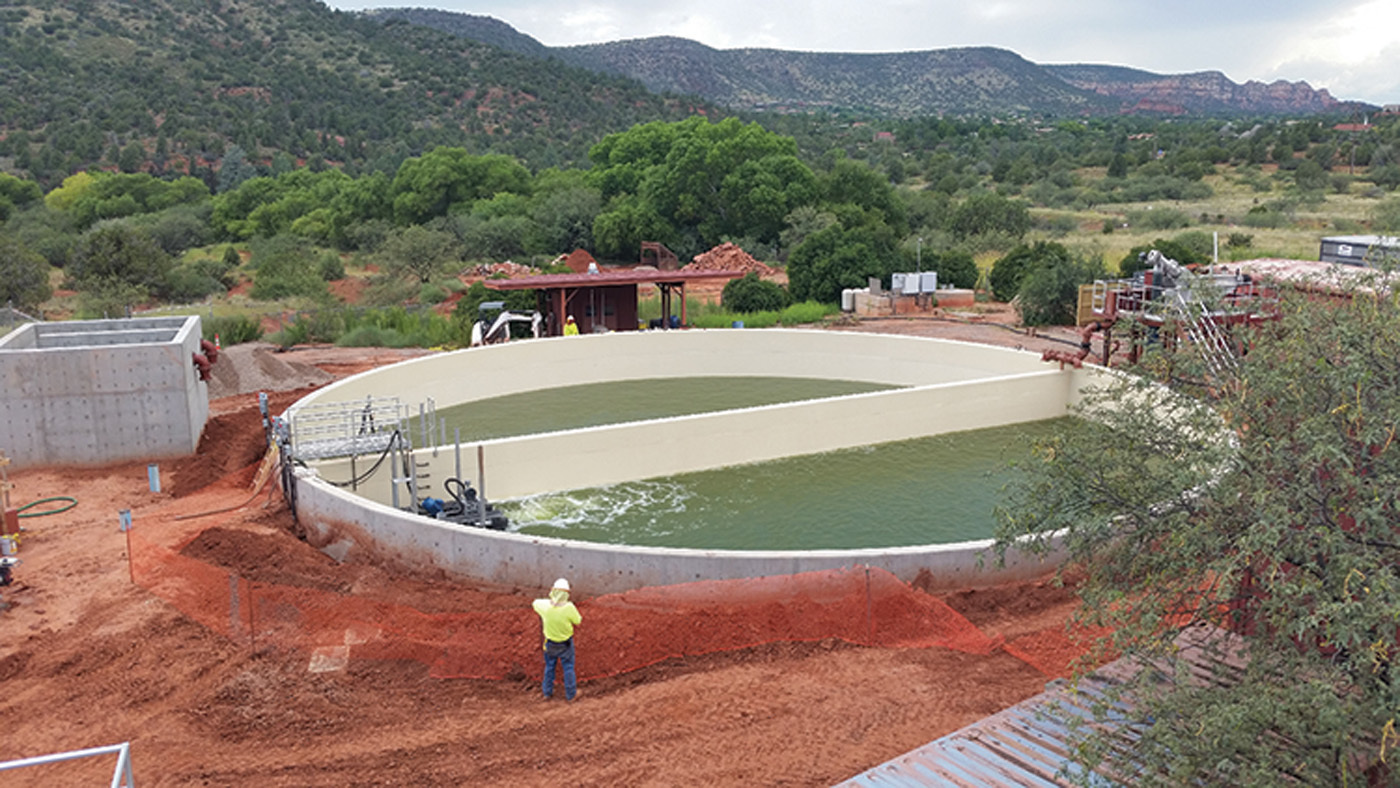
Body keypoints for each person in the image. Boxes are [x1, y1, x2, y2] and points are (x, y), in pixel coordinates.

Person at [532, 577, 582, 700]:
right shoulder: (569, 607)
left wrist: (550, 601)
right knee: (568, 667)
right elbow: (578, 621)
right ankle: (571, 695)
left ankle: (547, 693)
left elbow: (535, 603)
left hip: (550, 643)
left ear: (553, 591)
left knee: (549, 667)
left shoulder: (545, 606)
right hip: (566, 644)